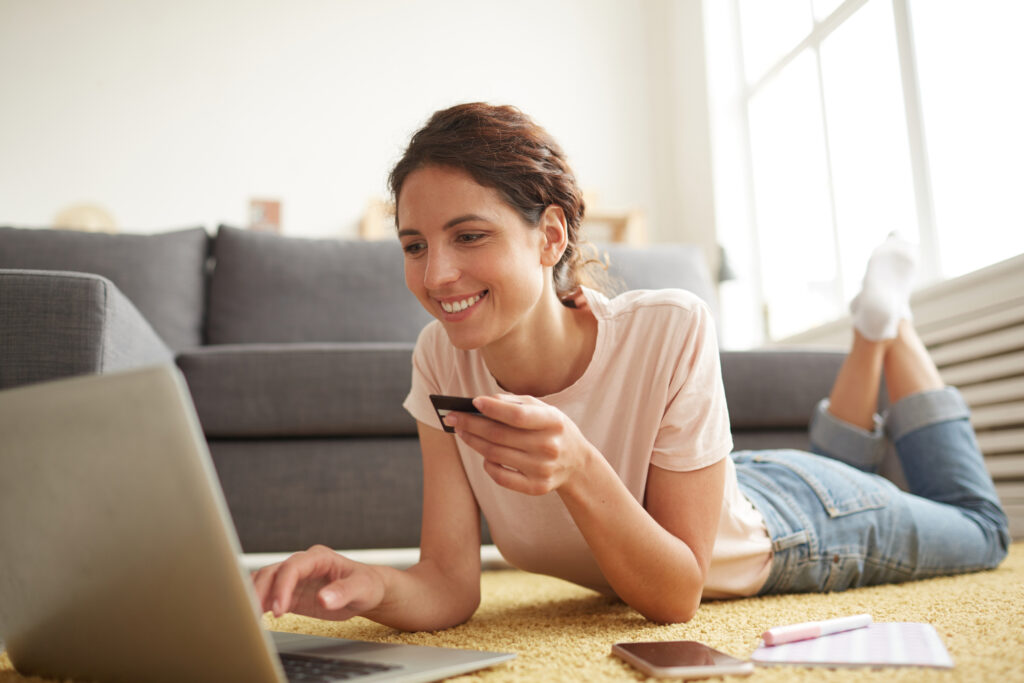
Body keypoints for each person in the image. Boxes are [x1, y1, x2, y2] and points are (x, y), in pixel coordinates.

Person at [252, 103, 1009, 629]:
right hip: (730, 486)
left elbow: (677, 593)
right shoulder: (440, 357)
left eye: (469, 235)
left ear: (550, 237)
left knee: (981, 532)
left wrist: (577, 464)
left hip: (795, 529)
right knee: (838, 473)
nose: (438, 274)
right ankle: (874, 332)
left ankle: (885, 328)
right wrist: (368, 584)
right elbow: (449, 583)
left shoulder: (670, 325)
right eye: (415, 245)